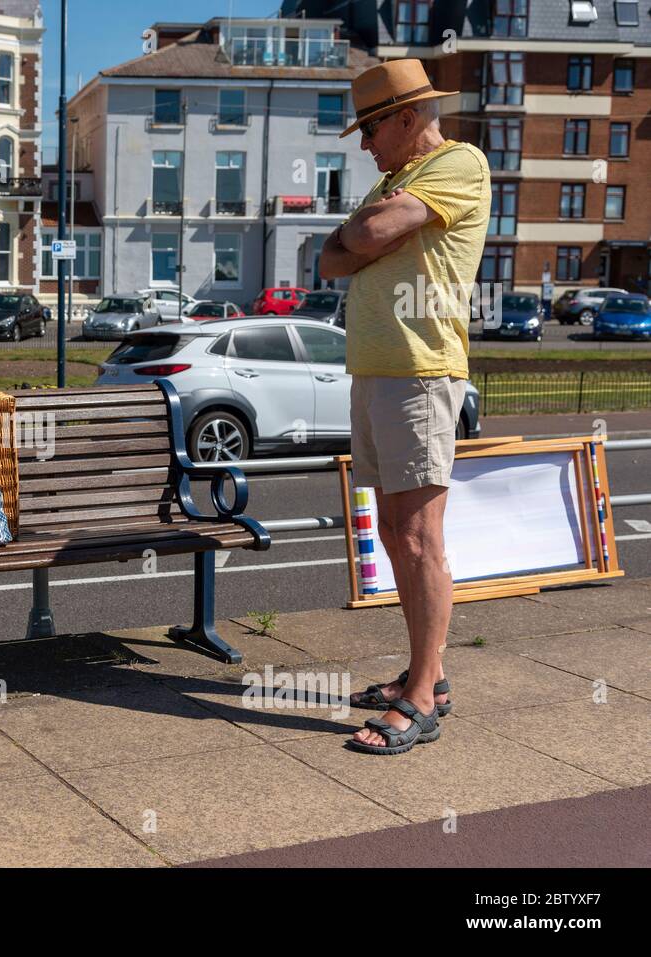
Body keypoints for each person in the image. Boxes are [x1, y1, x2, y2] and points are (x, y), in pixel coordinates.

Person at [318, 60, 490, 755]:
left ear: (407, 118)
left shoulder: (458, 164)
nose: (365, 146)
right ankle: (430, 674)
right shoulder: (397, 183)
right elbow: (333, 257)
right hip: (378, 372)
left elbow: (354, 241)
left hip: (419, 374)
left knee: (420, 538)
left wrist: (361, 234)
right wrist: (363, 233)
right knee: (393, 529)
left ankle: (421, 700)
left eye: (370, 130)